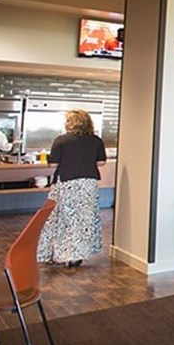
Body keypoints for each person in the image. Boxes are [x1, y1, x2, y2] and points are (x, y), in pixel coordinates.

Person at [36, 109, 106, 268]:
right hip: (88, 184)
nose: (65, 123)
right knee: (83, 220)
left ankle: (57, 253)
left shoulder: (61, 140)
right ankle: (76, 255)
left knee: (61, 218)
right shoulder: (96, 141)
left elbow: (52, 164)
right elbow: (101, 162)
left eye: (68, 121)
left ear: (74, 123)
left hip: (66, 183)